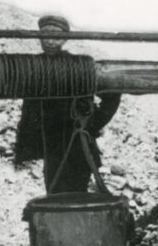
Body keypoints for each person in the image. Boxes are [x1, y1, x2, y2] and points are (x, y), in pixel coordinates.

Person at [13, 15, 121, 194]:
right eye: (44, 35)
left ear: (65, 39)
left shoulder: (79, 66)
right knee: (54, 191)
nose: (49, 41)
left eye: (55, 36)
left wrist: (92, 124)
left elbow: (112, 94)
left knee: (76, 194)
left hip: (78, 143)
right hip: (52, 145)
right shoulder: (33, 67)